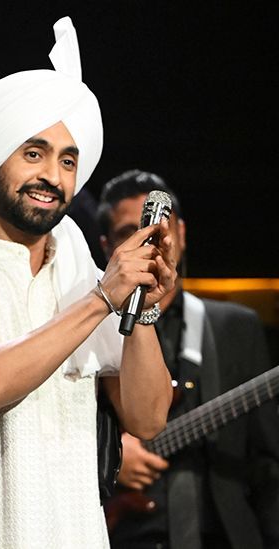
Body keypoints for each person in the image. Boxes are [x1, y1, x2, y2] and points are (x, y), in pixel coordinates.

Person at [0, 17, 175, 547]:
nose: (54, 176)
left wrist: (142, 310)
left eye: (68, 161)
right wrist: (102, 299)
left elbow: (148, 417)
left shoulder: (84, 279)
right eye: (33, 153)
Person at [97, 170, 279, 549]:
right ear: (106, 247)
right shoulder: (89, 327)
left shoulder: (234, 327)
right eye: (128, 232)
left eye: (157, 229)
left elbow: (268, 459)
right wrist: (107, 456)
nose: (147, 242)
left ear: (180, 232)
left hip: (224, 534)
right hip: (122, 536)